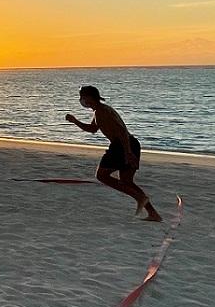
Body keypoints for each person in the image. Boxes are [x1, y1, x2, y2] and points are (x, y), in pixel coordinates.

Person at [66, 86, 162, 222]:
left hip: (123, 145)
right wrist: (75, 121)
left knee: (101, 175)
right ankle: (153, 214)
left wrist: (128, 152)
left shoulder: (103, 111)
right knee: (127, 181)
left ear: (89, 97)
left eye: (82, 97)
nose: (81, 100)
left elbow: (122, 131)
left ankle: (140, 198)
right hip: (130, 144)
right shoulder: (99, 111)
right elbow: (93, 129)